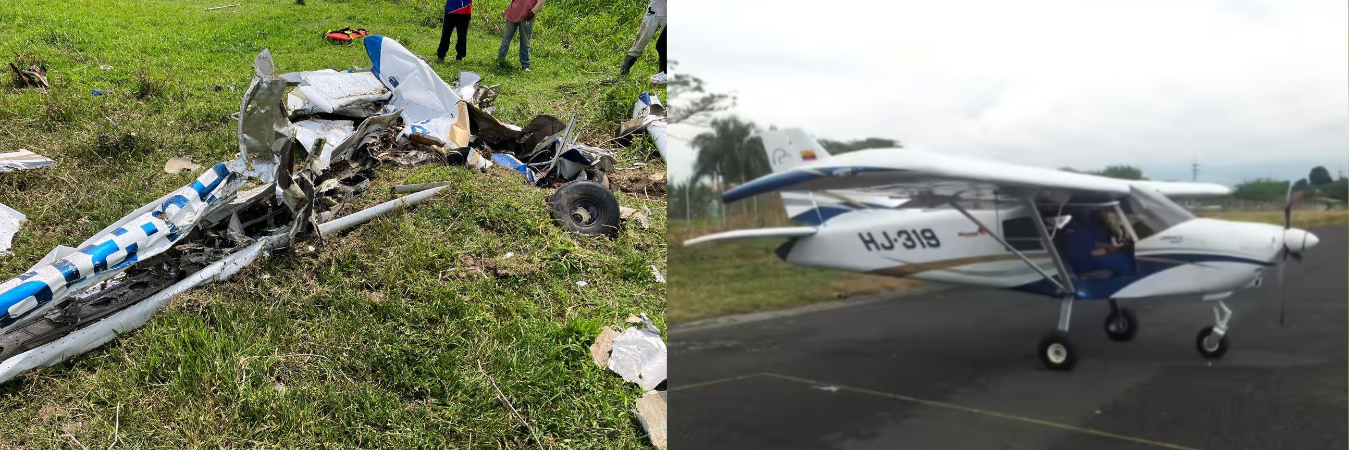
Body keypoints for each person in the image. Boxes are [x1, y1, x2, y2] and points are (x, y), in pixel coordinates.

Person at [620, 0, 667, 81]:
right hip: (653, 11)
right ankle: (624, 71)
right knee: (641, 42)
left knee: (665, 45)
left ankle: (663, 74)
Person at [498, 0, 546, 71]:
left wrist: (533, 11)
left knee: (525, 41)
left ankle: (525, 64)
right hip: (513, 13)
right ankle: (500, 60)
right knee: (506, 39)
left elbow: (541, 1)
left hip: (527, 15)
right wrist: (509, 8)